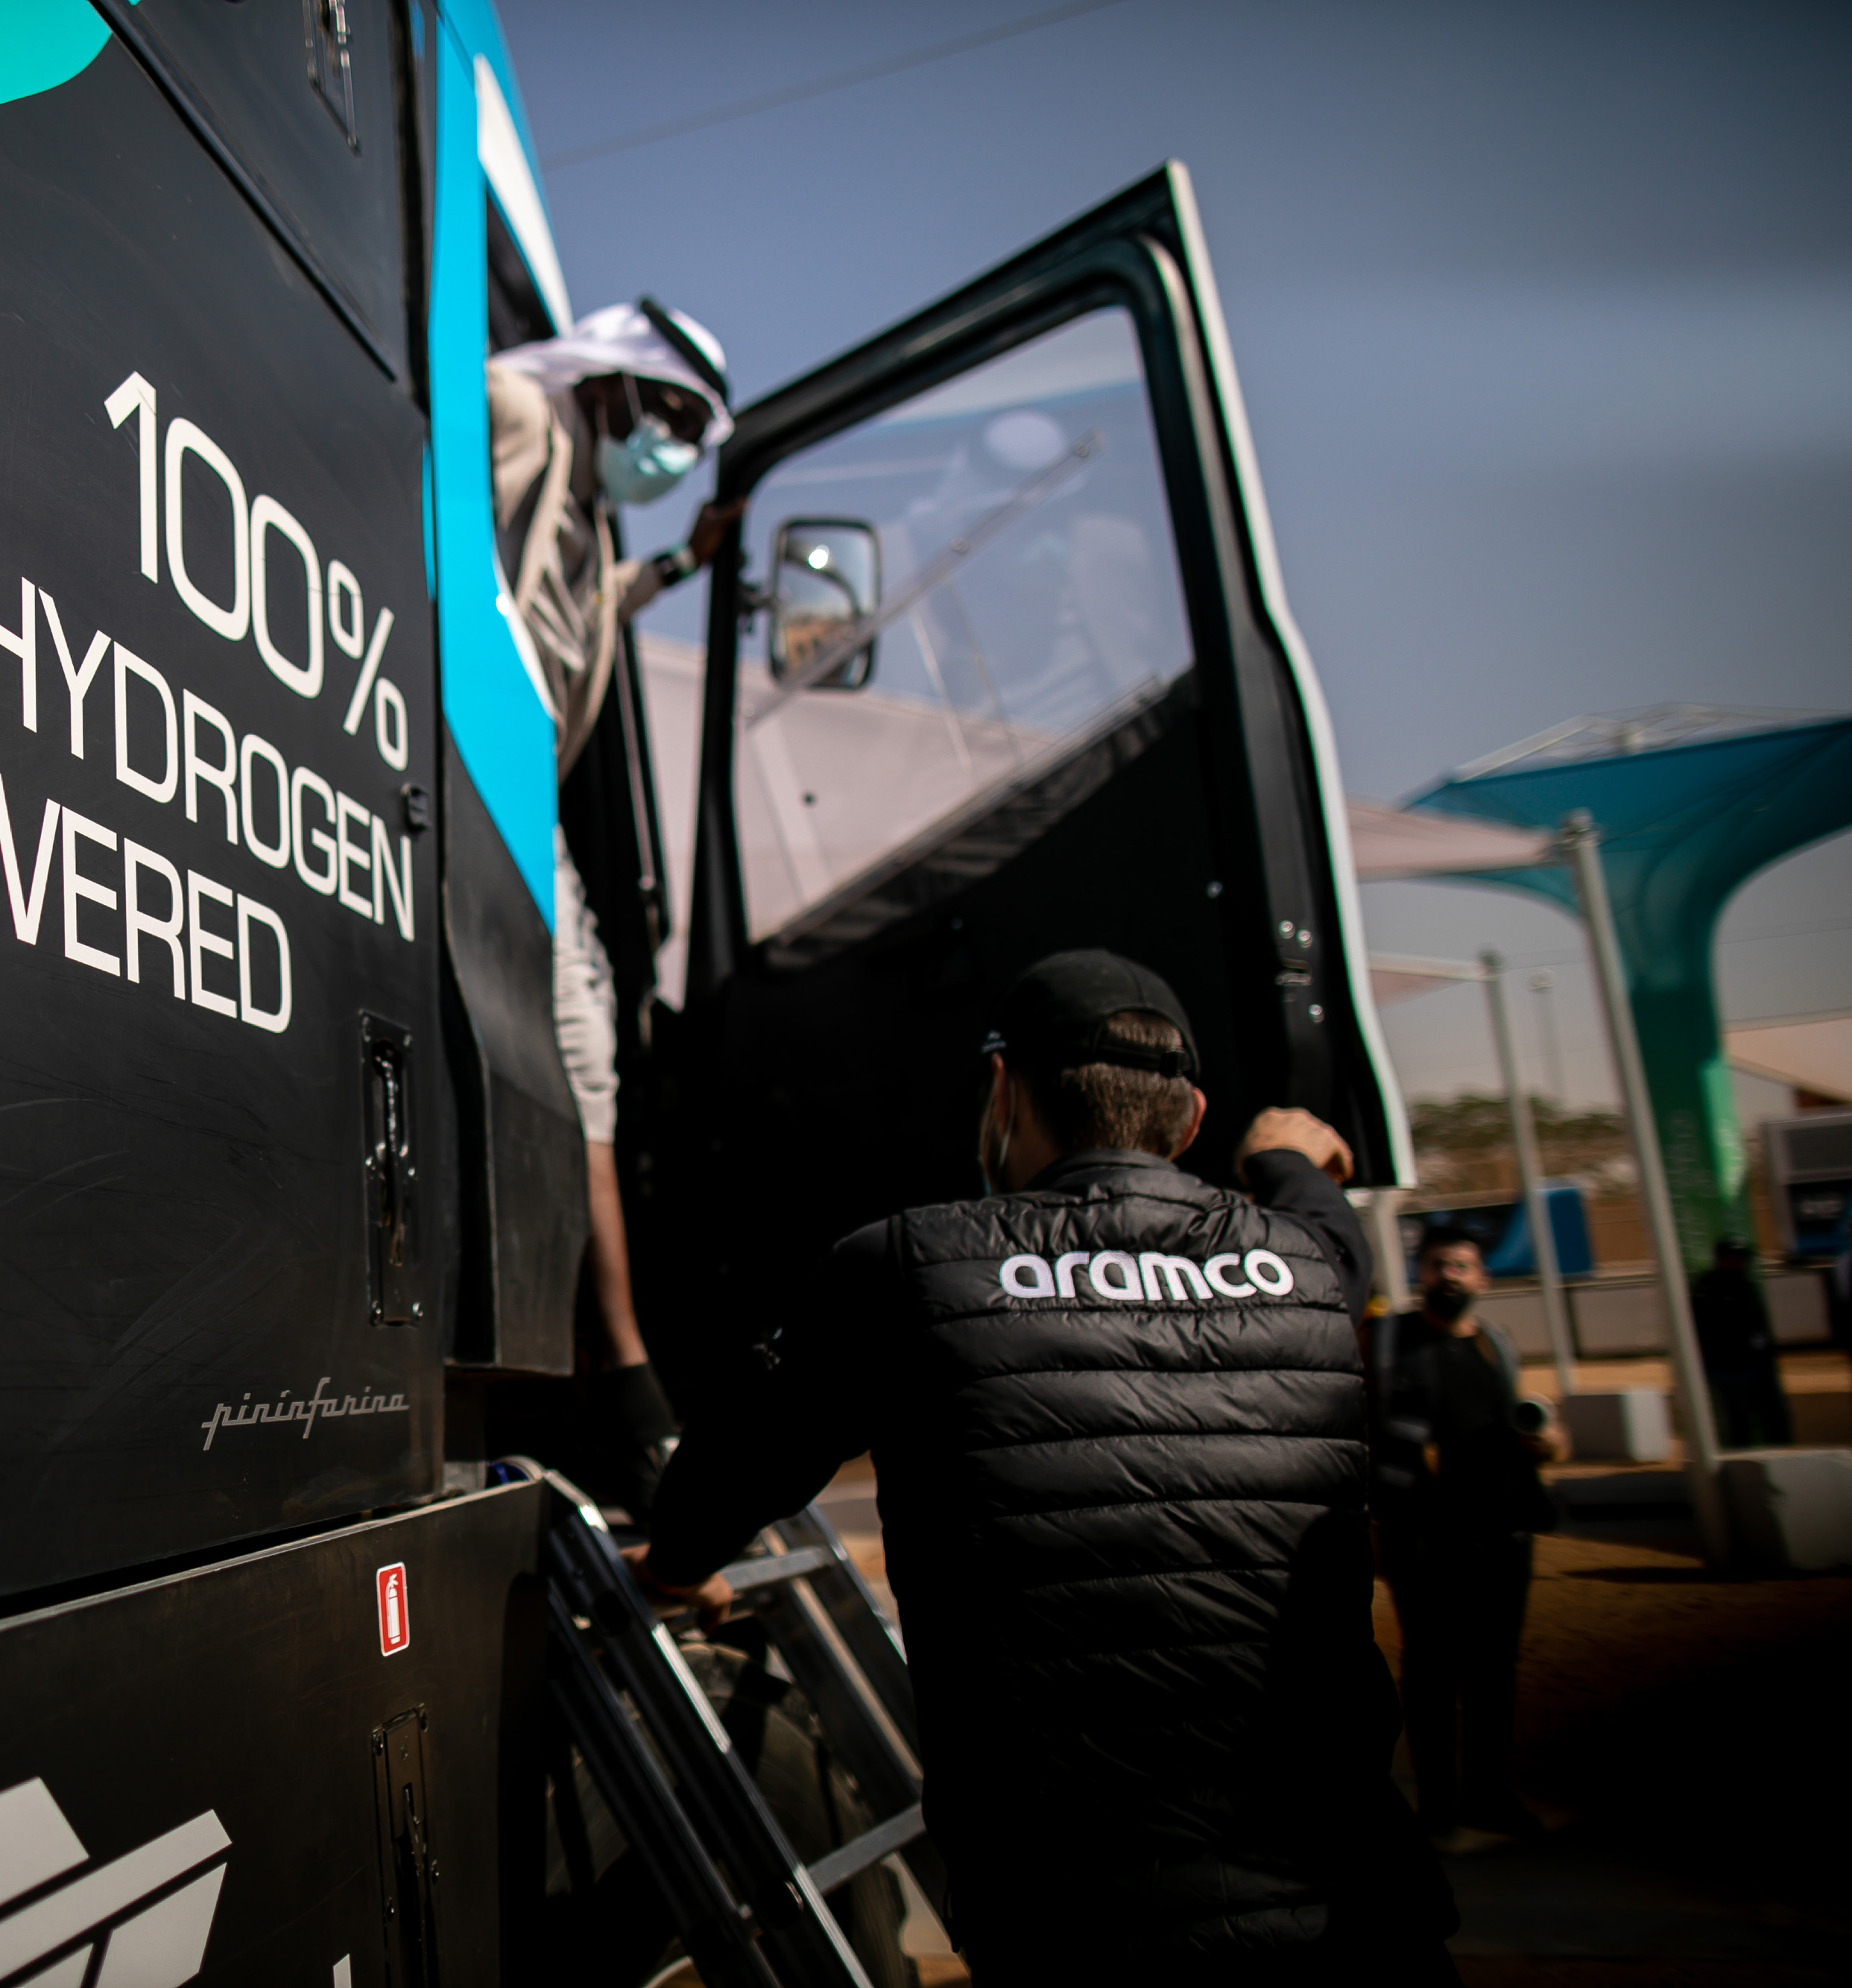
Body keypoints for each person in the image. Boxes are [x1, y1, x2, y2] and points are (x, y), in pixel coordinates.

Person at [631, 950, 1456, 1983]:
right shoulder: (1307, 1264)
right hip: (1358, 1914)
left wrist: (671, 1563)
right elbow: (1336, 1228)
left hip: (1080, 1926)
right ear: (1191, 1116)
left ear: (1003, 1091)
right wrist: (1285, 1156)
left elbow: (739, 1460)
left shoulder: (904, 1264)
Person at [486, 298, 742, 1514]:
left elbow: (580, 612)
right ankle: (625, 1390)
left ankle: (619, 1381)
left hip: (523, 801)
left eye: (698, 431)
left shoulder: (585, 509)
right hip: (476, 774)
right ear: (612, 380)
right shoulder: (521, 407)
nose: (677, 446)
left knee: (591, 1074)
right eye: (675, 415)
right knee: (579, 1069)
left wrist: (683, 562)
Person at [1377, 1226, 1558, 1846]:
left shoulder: (1496, 1344)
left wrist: (1547, 1445)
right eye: (1437, 1264)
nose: (1449, 1274)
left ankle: (1490, 1795)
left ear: (1482, 1278)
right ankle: (1438, 1804)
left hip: (1502, 1528)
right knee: (1430, 1668)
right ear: (1420, 1273)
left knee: (1493, 1669)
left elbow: (1516, 1426)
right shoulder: (1390, 1340)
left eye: (1461, 1265)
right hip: (1424, 1533)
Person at [1691, 1236, 1792, 1448]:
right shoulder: (1708, 1288)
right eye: (1736, 1258)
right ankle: (1742, 1460)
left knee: (1773, 1415)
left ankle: (1781, 1452)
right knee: (1739, 1419)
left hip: (1758, 1365)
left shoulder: (1745, 1285)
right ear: (1724, 1259)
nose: (1741, 1263)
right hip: (1729, 1367)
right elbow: (1707, 1330)